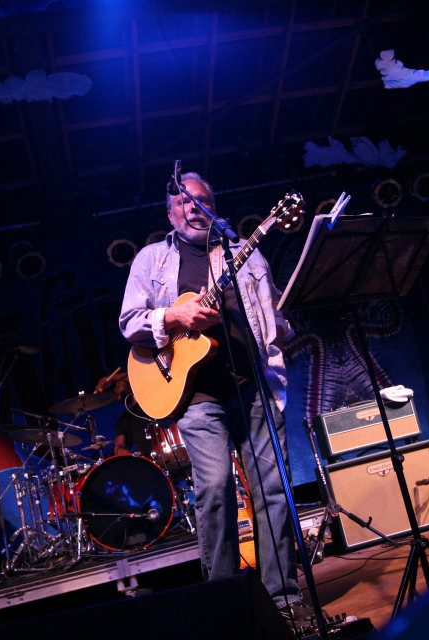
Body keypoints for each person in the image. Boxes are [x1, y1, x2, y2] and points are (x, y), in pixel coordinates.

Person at [119, 172, 316, 629]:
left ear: (212, 206)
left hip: (253, 385)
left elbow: (272, 312)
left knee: (273, 489)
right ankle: (225, 604)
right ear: (170, 212)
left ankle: (282, 599)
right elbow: (129, 322)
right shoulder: (153, 259)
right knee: (215, 489)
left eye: (200, 200)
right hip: (196, 394)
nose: (192, 208)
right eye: (182, 202)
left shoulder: (243, 252)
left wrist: (284, 327)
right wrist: (174, 315)